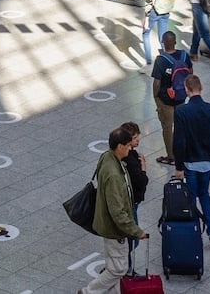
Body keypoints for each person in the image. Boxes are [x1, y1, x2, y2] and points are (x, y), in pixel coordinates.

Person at [79, 126, 150, 294]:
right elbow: (117, 211)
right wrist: (136, 231)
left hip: (106, 222)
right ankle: (87, 292)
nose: (130, 148)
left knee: (115, 265)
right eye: (128, 145)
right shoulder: (114, 175)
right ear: (119, 146)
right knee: (118, 269)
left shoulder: (107, 157)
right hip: (114, 229)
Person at [171, 73, 210, 250]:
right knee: (205, 194)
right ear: (201, 88)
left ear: (187, 90)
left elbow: (179, 141)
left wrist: (178, 167)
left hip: (190, 162)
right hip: (208, 160)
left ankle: (194, 232)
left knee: (191, 197)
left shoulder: (181, 112)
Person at [149, 30, 190, 166]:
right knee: (181, 127)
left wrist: (155, 97)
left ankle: (171, 157)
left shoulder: (161, 60)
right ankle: (182, 153)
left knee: (167, 127)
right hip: (181, 97)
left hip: (166, 100)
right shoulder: (184, 56)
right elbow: (190, 74)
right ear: (175, 42)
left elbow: (157, 82)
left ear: (163, 43)